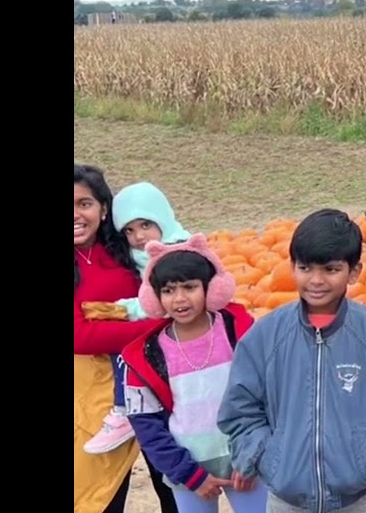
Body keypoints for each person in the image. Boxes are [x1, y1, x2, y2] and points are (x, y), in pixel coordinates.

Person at [217, 208, 366, 513]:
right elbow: (241, 407)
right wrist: (266, 457)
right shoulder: (265, 336)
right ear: (292, 267)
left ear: (354, 271)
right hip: (288, 499)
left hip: (361, 497)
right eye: (305, 268)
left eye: (330, 269)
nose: (316, 280)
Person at [121, 234, 268, 512]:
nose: (179, 299)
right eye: (168, 290)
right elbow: (146, 425)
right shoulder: (146, 356)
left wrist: (254, 455)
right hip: (188, 473)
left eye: (189, 287)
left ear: (211, 288)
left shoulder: (239, 332)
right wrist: (190, 475)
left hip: (248, 463)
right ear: (154, 297)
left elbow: (268, 396)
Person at [73, 163, 180, 513]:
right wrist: (159, 326)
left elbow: (176, 279)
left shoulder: (130, 248)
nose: (76, 215)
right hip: (95, 397)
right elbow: (79, 335)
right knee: (103, 494)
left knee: (174, 485)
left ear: (104, 209)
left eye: (84, 203)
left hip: (155, 379)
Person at [84, 180, 192, 455]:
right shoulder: (135, 255)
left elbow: (164, 296)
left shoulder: (178, 250)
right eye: (129, 230)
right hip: (156, 326)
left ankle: (123, 409)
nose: (139, 236)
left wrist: (125, 310)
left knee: (124, 347)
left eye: (145, 225)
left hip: (180, 328)